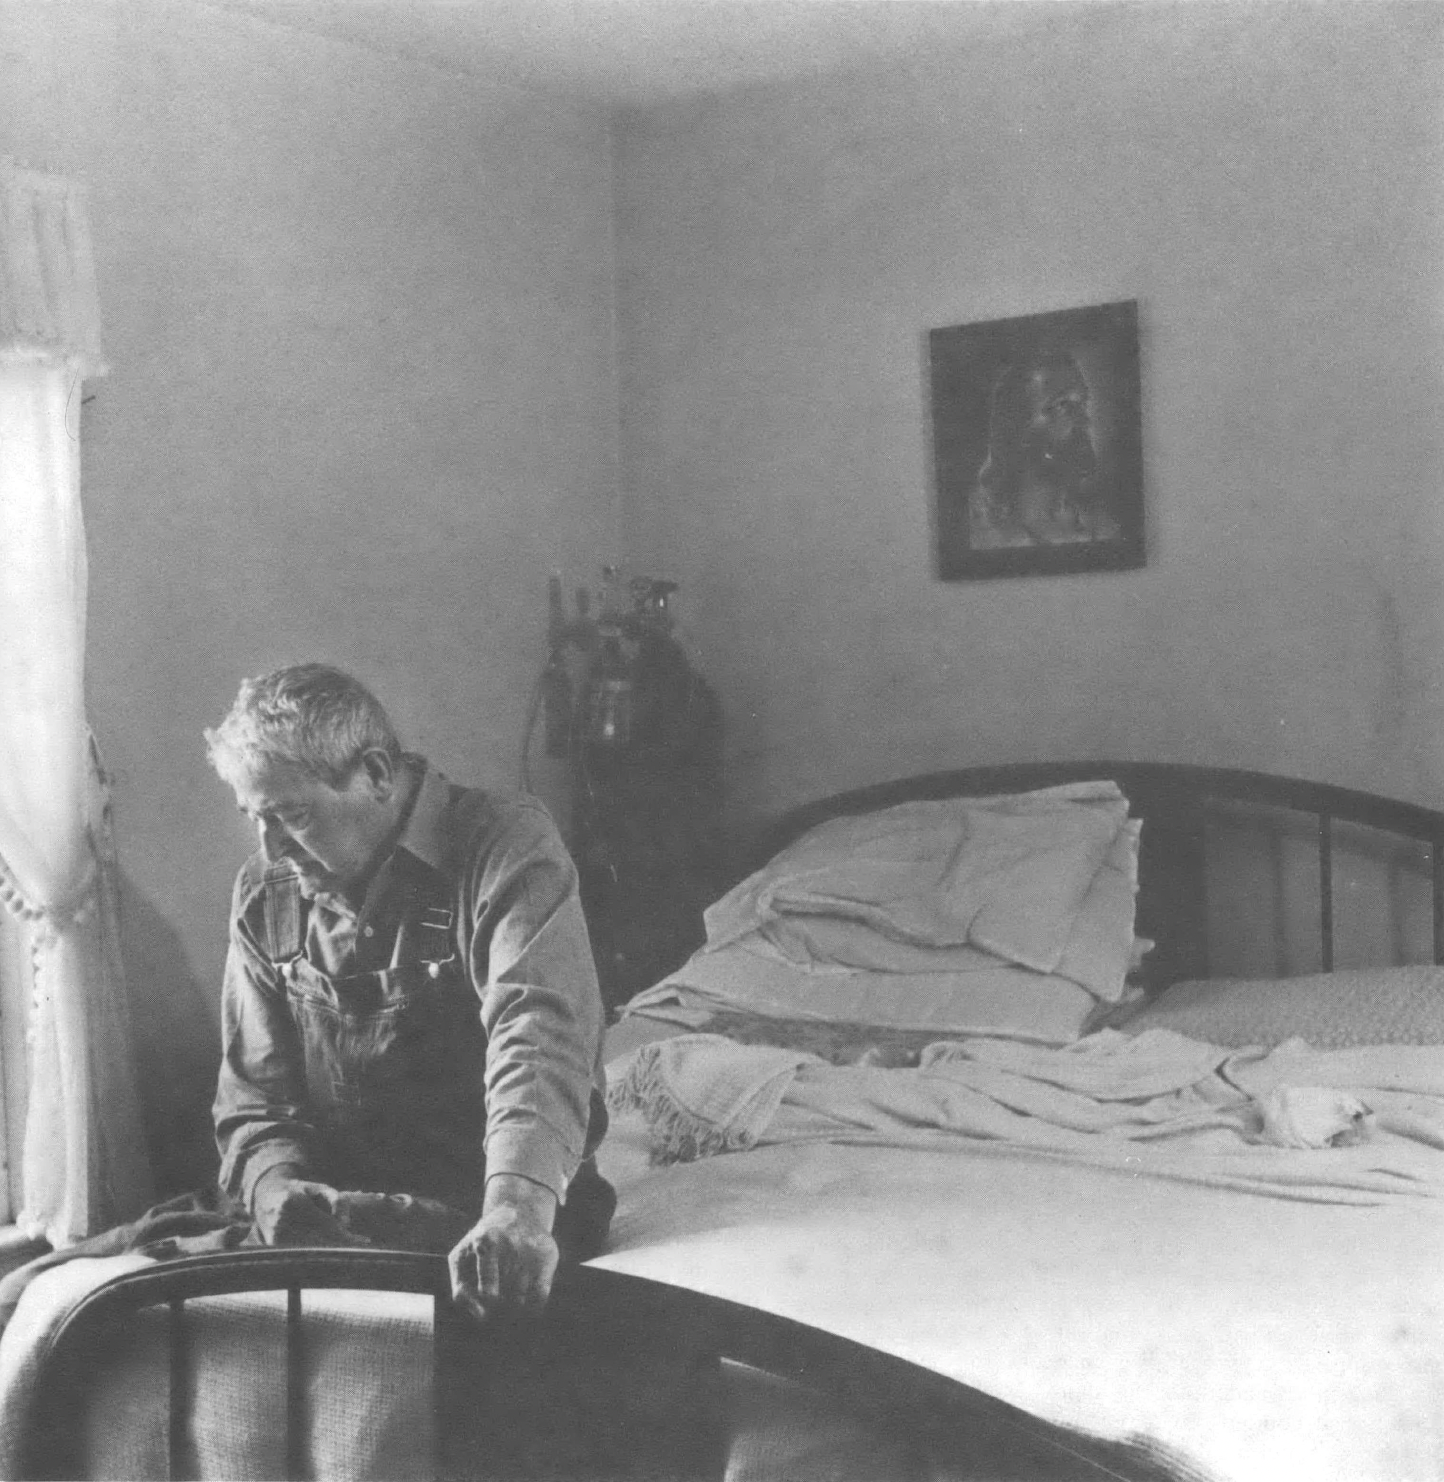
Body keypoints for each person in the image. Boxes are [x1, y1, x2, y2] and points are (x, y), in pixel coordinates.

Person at [204, 662, 615, 1321]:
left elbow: (538, 1032)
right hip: (337, 1227)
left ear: (374, 774)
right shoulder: (266, 893)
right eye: (255, 818)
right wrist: (274, 1188)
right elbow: (256, 1099)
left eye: (292, 816)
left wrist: (516, 1208)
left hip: (488, 1211)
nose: (272, 848)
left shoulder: (505, 847)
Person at [965, 347, 1120, 549]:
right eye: (1062, 405)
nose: (1084, 420)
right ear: (1017, 427)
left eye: (1082, 403)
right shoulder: (985, 533)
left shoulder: (1102, 527)